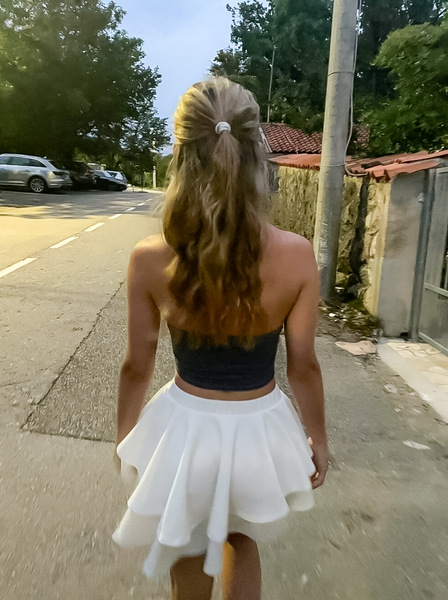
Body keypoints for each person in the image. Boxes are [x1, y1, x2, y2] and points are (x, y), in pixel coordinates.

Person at [112, 77, 329, 600]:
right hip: (260, 428)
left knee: (187, 545)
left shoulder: (150, 258)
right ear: (258, 154)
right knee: (240, 537)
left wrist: (125, 437)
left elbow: (137, 365)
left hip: (185, 428)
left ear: (179, 155)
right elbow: (303, 364)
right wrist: (319, 439)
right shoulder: (297, 254)